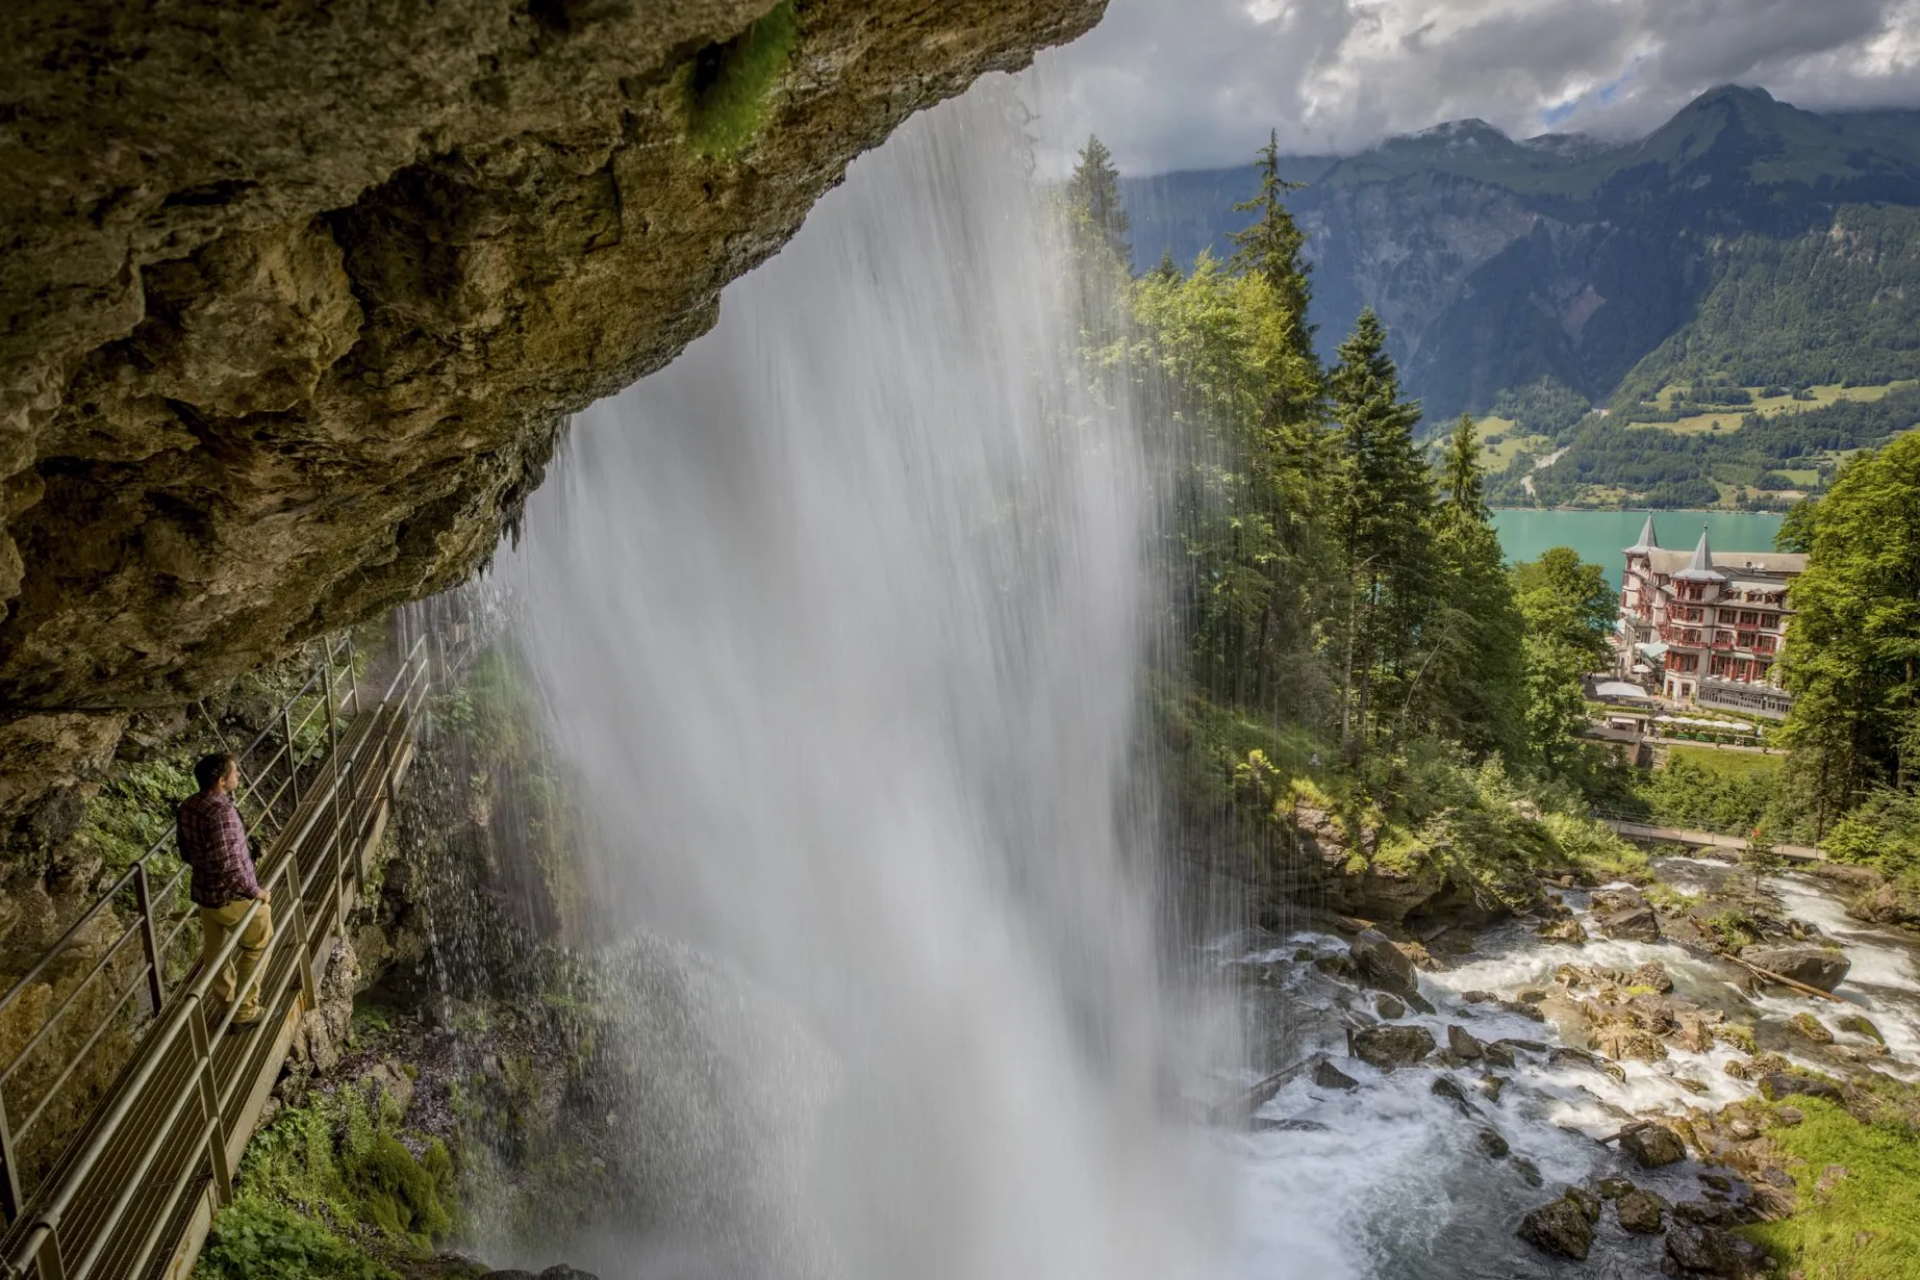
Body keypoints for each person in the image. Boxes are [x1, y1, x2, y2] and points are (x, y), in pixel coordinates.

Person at [177, 752, 272, 1027]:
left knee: (215, 950)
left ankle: (227, 1001)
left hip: (204, 892)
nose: (238, 776)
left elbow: (185, 851)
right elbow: (229, 865)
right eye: (235, 772)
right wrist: (255, 892)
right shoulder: (222, 814)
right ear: (221, 780)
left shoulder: (189, 805)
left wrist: (205, 868)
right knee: (259, 940)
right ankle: (244, 1011)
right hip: (228, 896)